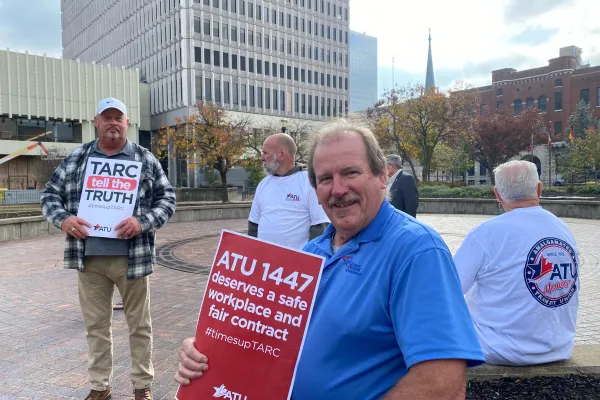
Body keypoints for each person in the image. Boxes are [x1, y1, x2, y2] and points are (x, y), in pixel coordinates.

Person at [174, 122, 484, 399]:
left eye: (350, 172)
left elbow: (442, 383)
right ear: (316, 190)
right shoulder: (311, 254)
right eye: (325, 178)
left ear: (380, 176)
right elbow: (264, 345)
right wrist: (205, 352)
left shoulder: (416, 251)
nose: (338, 189)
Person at [40, 97, 176, 400]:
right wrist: (63, 219)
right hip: (89, 258)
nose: (113, 122)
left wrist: (142, 222)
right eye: (107, 117)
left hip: (133, 258)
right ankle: (100, 387)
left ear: (127, 123)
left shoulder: (145, 158)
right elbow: (49, 195)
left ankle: (142, 386)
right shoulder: (77, 158)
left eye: (119, 117)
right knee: (96, 327)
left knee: (140, 326)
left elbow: (167, 199)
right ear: (96, 121)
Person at [453, 160, 579, 366]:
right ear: (539, 189)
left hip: (497, 348)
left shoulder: (485, 234)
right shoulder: (562, 228)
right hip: (559, 346)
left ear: (497, 194)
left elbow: (450, 289)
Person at [248, 133, 329, 250]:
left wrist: (306, 259)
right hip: (265, 262)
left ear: (281, 154)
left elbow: (320, 226)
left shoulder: (309, 181)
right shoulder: (263, 184)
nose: (262, 158)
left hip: (295, 264)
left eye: (265, 153)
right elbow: (253, 225)